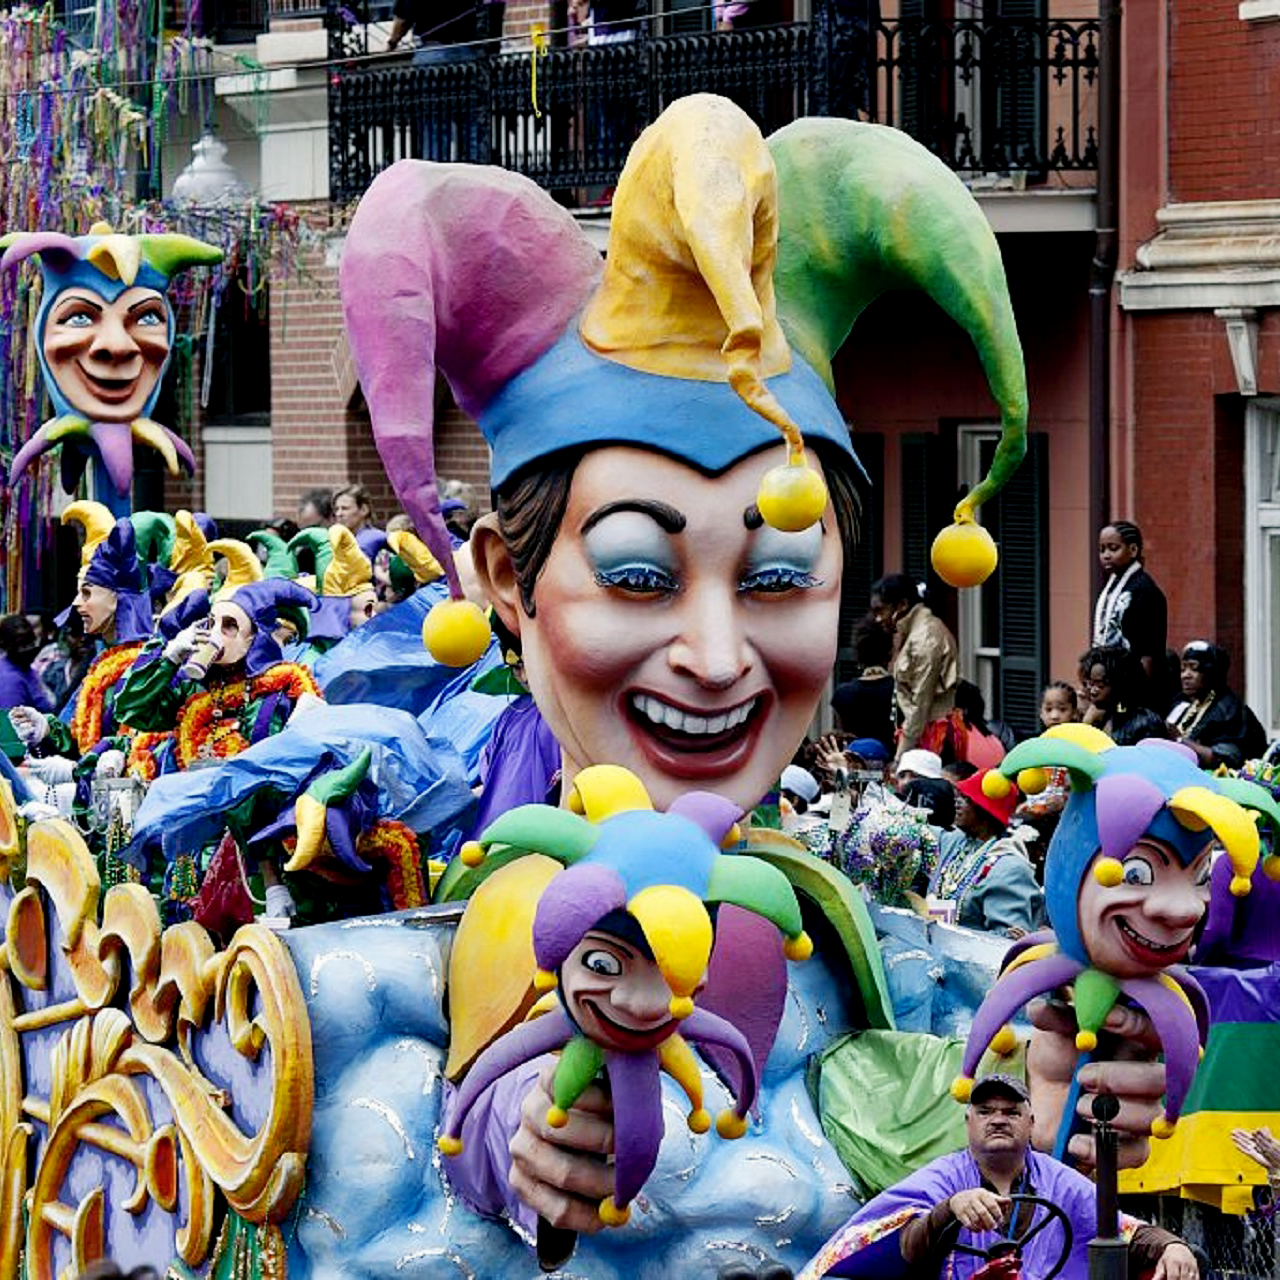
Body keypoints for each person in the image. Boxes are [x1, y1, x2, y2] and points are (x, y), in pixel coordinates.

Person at [333, 95, 1161, 1276]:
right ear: (505, 582)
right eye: (635, 573)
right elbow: (444, 1104)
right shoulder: (518, 908)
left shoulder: (857, 935)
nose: (716, 656)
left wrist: (1071, 1067)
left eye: (777, 578)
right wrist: (521, 1139)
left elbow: (975, 1077)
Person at [803, 1073, 1200, 1279]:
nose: (997, 1120)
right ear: (968, 1122)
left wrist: (1172, 1246)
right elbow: (899, 1243)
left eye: (1010, 1113)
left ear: (1031, 1122)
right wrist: (948, 1211)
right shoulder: (942, 1178)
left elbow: (1123, 1230)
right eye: (986, 1111)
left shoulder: (1060, 1181)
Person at [928, 769, 1042, 937]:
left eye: (967, 799)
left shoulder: (1009, 869)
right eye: (959, 796)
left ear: (985, 812)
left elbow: (1004, 943)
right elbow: (916, 831)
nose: (957, 803)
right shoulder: (956, 842)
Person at [870, 573, 958, 762]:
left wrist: (900, 758)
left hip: (931, 738)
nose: (877, 619)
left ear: (901, 605)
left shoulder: (925, 637)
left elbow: (921, 703)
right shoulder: (915, 631)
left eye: (880, 610)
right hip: (919, 733)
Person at [1165, 640, 1268, 769]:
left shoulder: (1229, 711)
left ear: (1211, 672)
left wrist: (1179, 740)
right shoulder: (1185, 706)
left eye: (1194, 668)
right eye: (1183, 669)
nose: (1185, 676)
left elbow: (1223, 760)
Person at [1092, 521, 1168, 692]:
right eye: (1102, 549)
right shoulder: (1112, 587)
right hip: (1108, 683)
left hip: (1134, 689)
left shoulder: (1144, 590)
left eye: (1113, 548)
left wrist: (1137, 694)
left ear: (1133, 550)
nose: (1106, 555)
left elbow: (1147, 652)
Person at [831, 615, 895, 753]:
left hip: (854, 768)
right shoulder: (898, 690)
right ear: (889, 652)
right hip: (891, 768)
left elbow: (842, 738)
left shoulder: (842, 694)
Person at [1079, 643, 1148, 739]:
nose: (1093, 691)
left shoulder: (1143, 722)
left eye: (1100, 685)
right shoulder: (1096, 717)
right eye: (1090, 684)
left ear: (1121, 685)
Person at [0, 614, 53, 713]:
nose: (28, 650)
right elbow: (9, 723)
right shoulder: (9, 679)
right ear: (5, 645)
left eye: (31, 643)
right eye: (21, 645)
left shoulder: (26, 669)